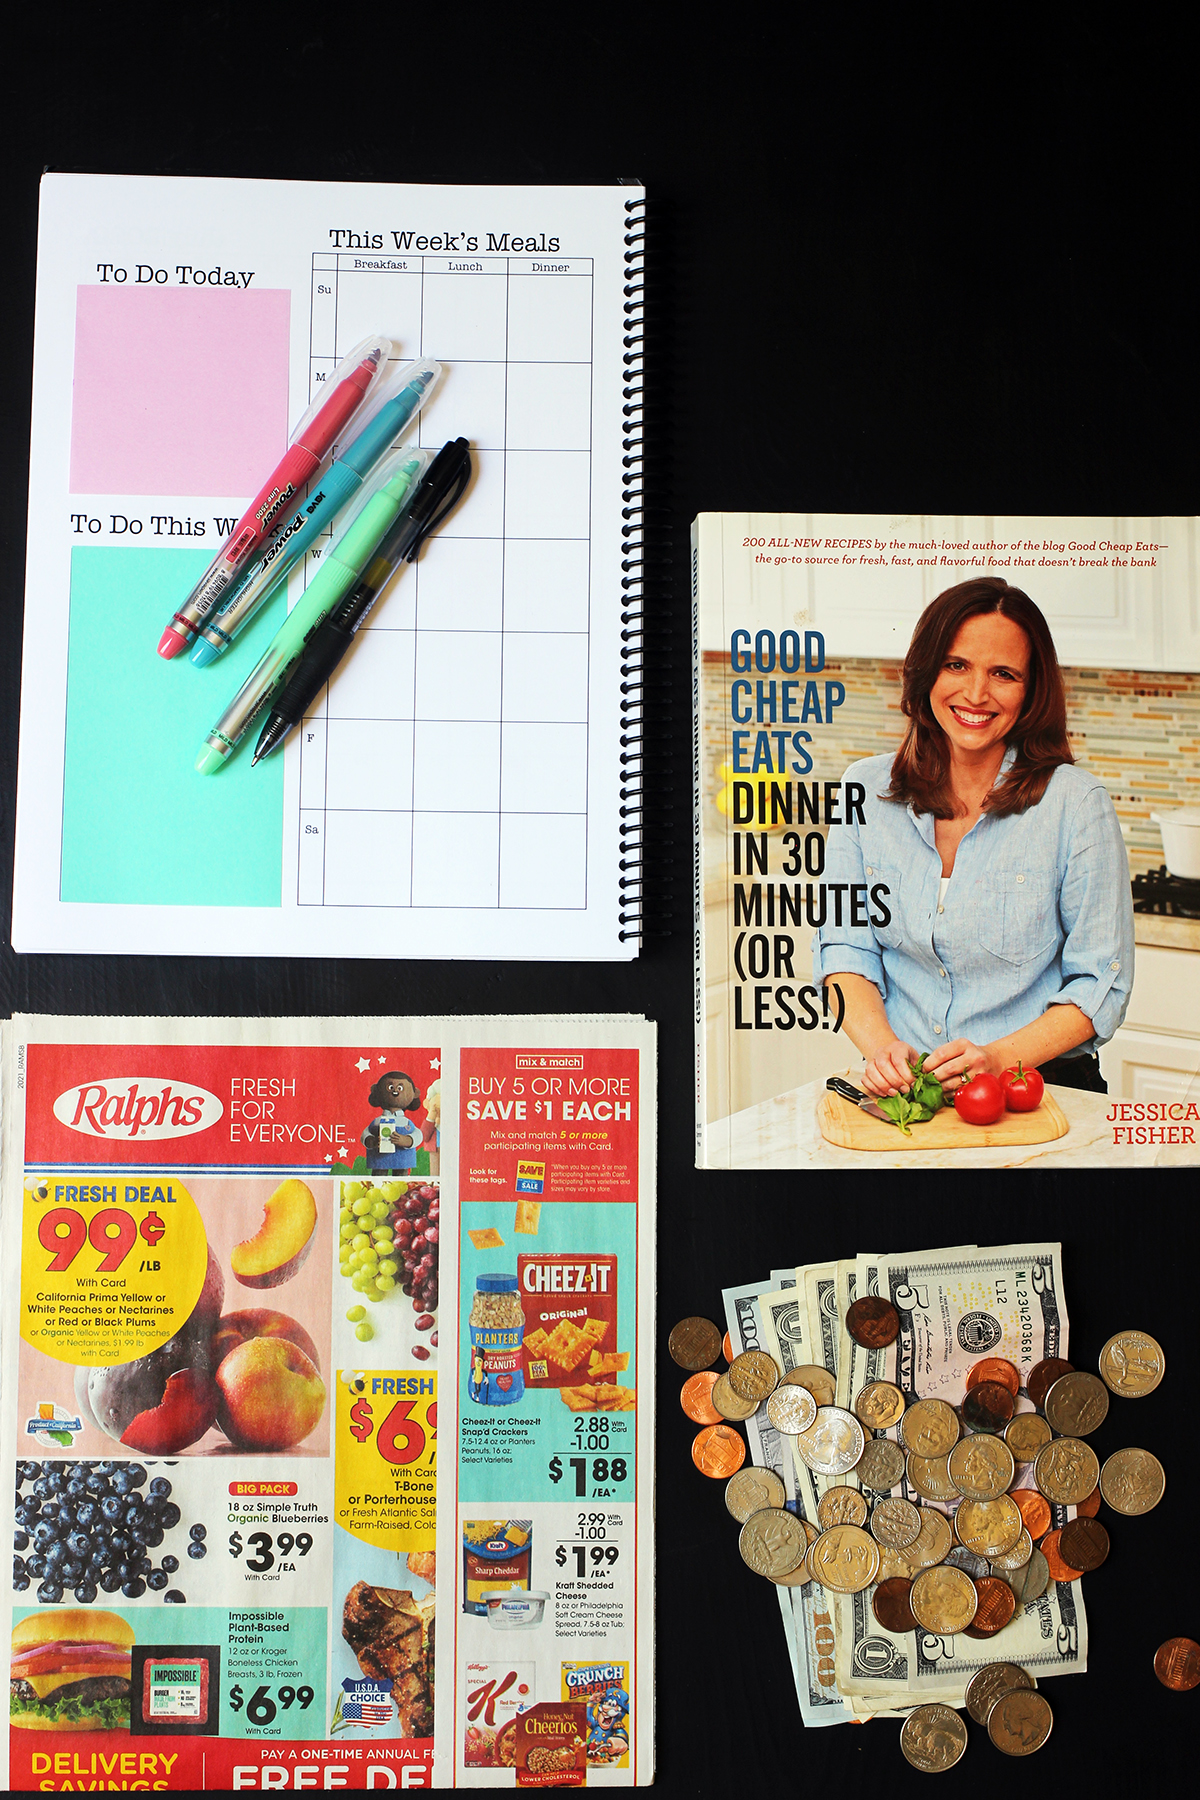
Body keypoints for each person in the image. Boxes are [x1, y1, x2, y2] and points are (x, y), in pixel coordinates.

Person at [813, 577, 1133, 1097]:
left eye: (1003, 673)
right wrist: (882, 1051)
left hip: (1039, 1090)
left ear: (1031, 690)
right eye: (956, 664)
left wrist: (996, 1059)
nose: (976, 694)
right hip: (908, 1093)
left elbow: (1101, 984)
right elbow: (844, 950)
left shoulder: (1076, 806)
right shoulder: (863, 791)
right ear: (926, 670)